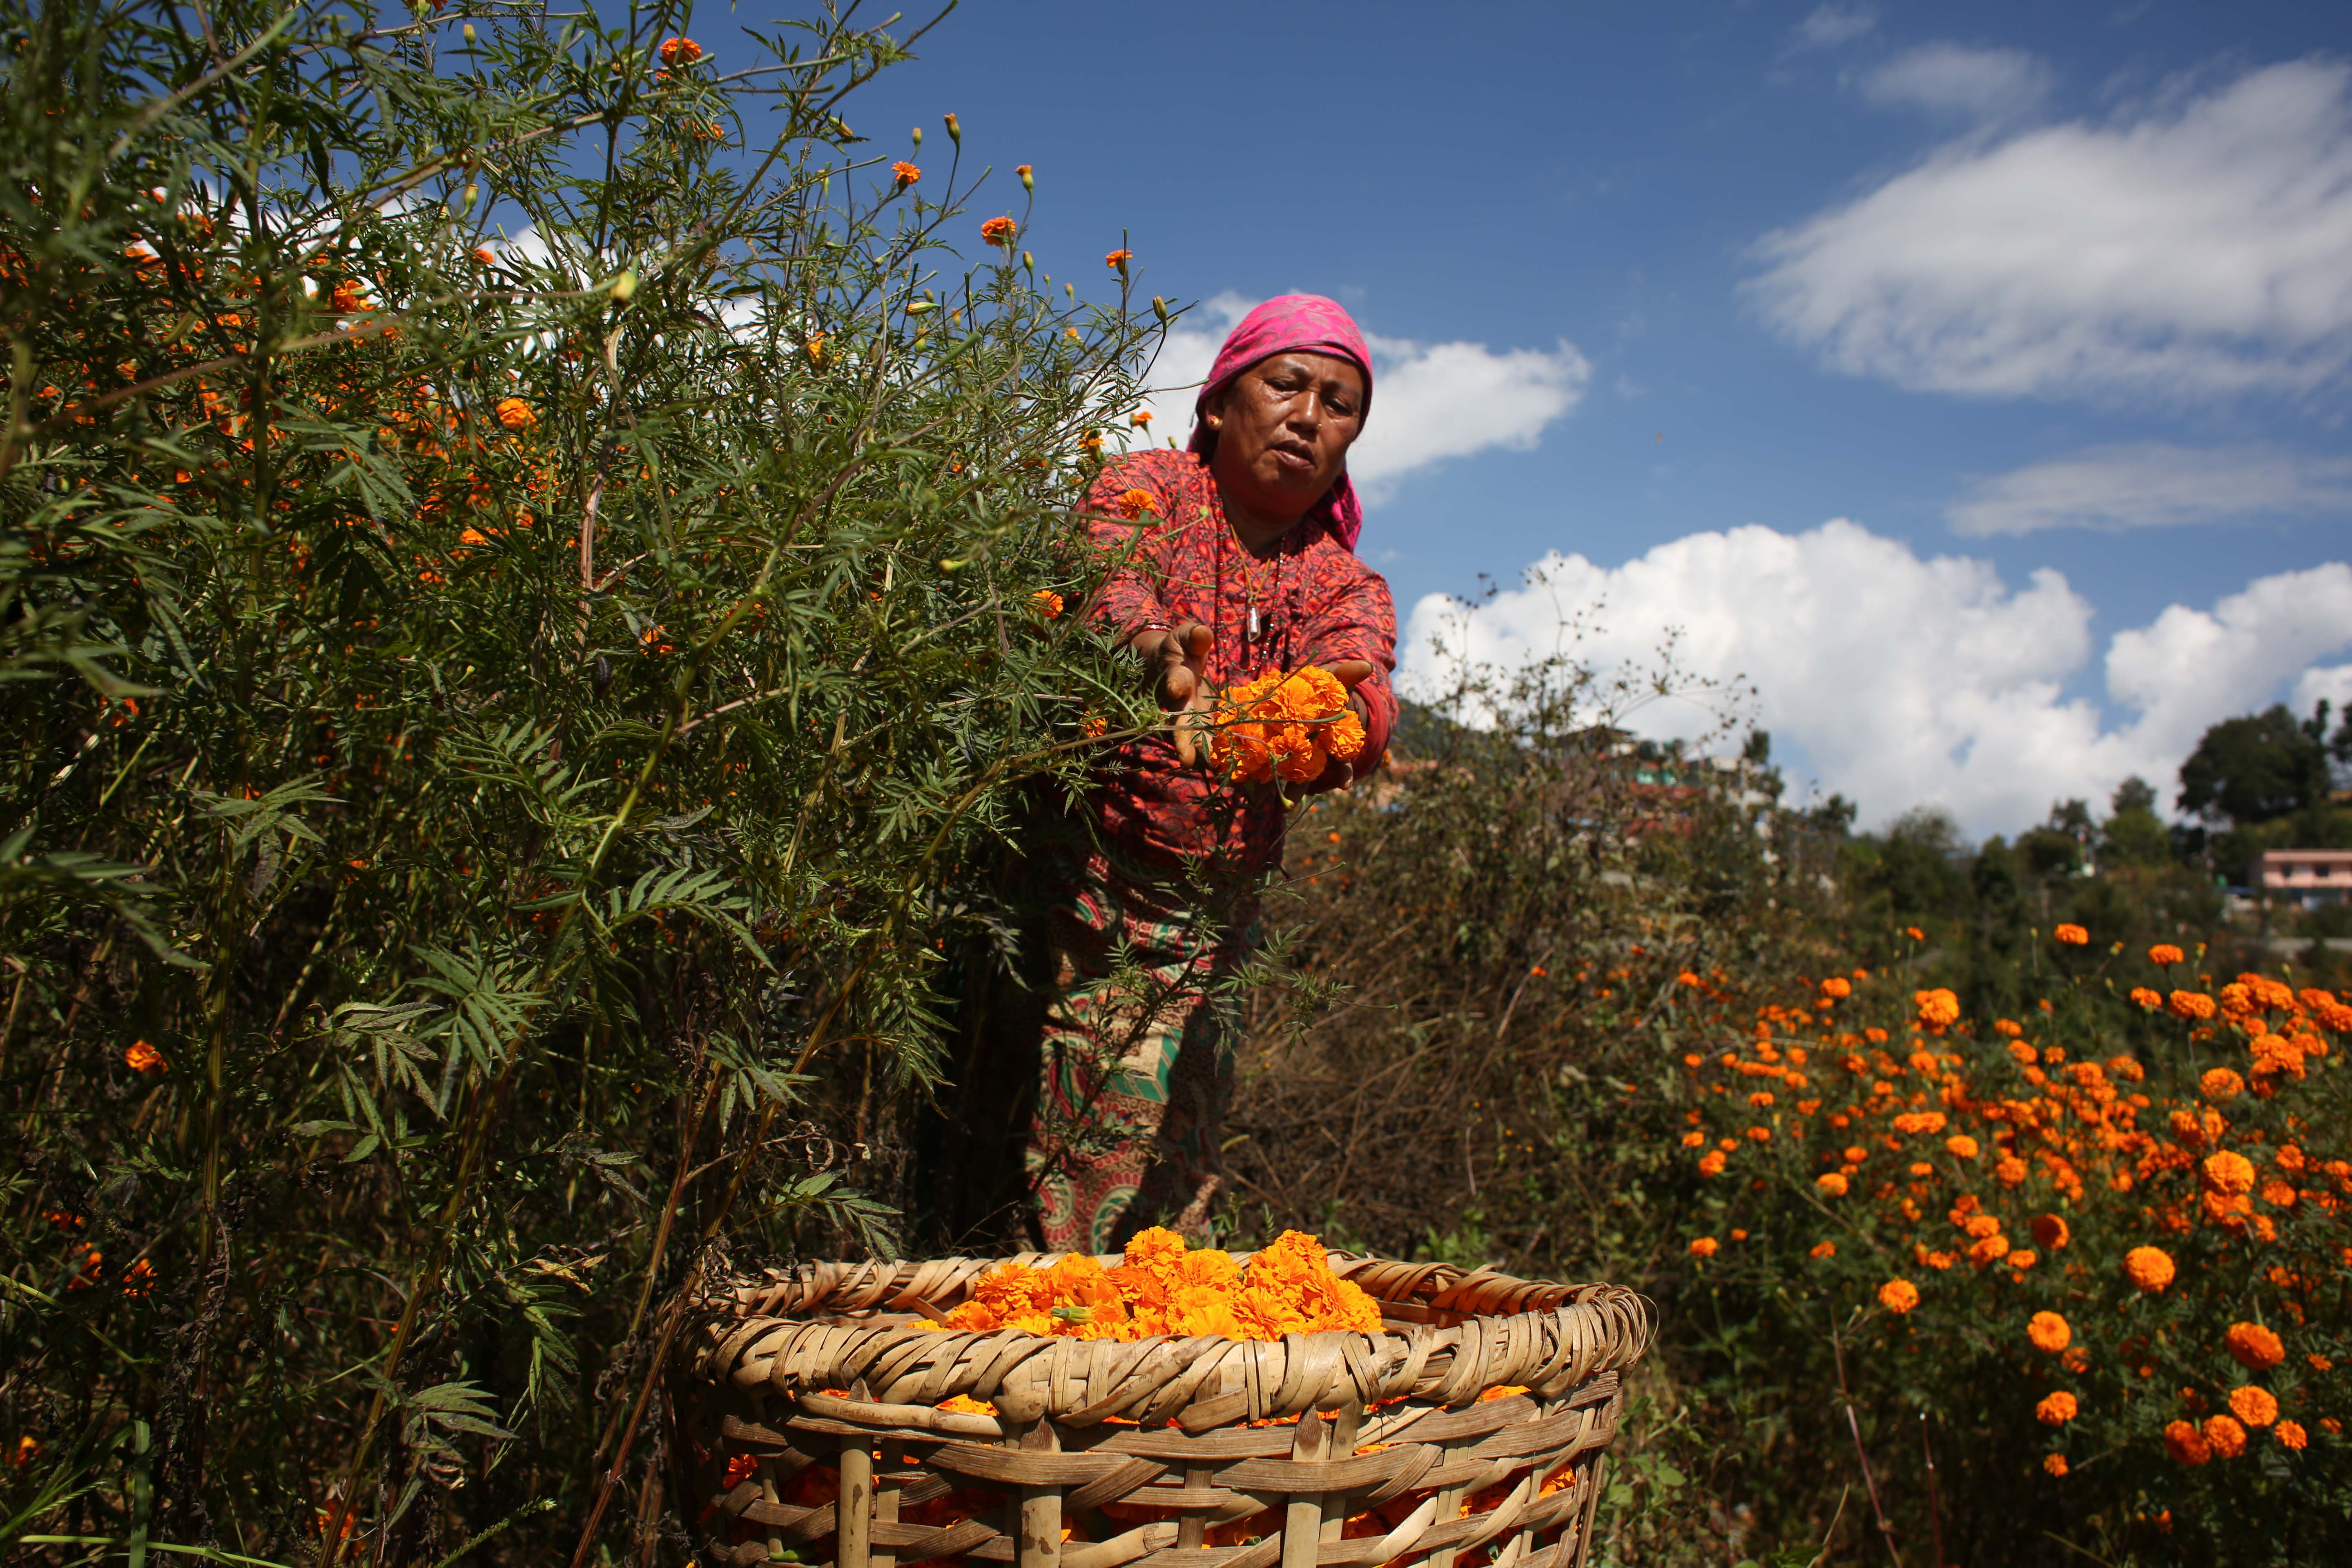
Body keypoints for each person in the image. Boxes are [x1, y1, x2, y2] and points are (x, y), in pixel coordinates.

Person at [1022, 295, 1399, 1252]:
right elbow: (1106, 575)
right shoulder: (1146, 487)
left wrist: (1342, 725)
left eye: (1341, 404)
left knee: (1183, 1157)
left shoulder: (1342, 581)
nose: (1312, 416)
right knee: (1082, 1131)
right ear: (1225, 402)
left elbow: (1363, 675)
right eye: (1288, 385)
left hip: (1224, 909)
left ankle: (1156, 1363)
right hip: (1089, 881)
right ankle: (1060, 1347)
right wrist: (1153, 647)